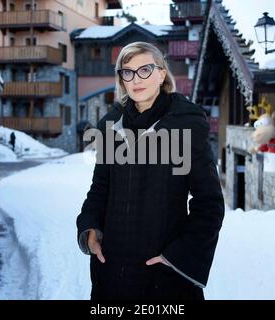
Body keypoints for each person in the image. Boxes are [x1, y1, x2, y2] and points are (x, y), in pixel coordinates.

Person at [76, 42, 224, 300]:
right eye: (128, 72)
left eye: (145, 69)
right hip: (111, 271)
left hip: (163, 276)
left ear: (161, 73)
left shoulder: (186, 125)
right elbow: (100, 188)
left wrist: (177, 257)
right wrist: (89, 228)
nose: (136, 79)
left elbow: (209, 203)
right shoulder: (111, 126)